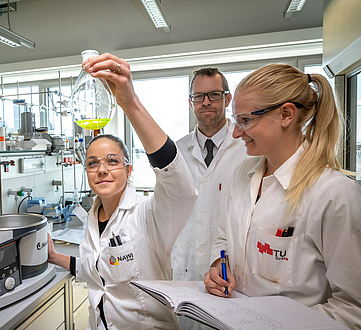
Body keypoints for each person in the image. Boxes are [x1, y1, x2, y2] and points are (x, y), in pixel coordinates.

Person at [204, 63, 361, 328]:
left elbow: (352, 309)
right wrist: (219, 264)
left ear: (286, 114)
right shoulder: (242, 174)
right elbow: (224, 236)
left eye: (245, 120)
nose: (235, 132)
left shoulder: (334, 194)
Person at [47, 53, 197, 329]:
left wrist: (130, 104)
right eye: (93, 163)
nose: (102, 169)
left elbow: (181, 190)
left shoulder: (147, 215)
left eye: (112, 161)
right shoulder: (93, 217)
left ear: (129, 171)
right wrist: (56, 257)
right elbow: (99, 271)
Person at [171, 68, 248, 284]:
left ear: (227, 99)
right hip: (184, 269)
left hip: (231, 272)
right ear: (191, 102)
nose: (206, 102)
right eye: (198, 96)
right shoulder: (177, 151)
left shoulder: (248, 148)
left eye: (214, 95)